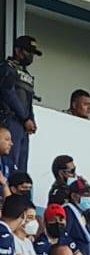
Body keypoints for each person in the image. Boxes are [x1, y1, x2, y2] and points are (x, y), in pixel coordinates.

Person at [0, 35, 40, 173]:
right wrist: (25, 118)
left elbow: (28, 101)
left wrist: (31, 119)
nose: (31, 57)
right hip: (9, 120)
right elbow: (7, 92)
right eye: (28, 52)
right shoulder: (7, 68)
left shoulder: (27, 75)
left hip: (23, 126)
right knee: (9, 162)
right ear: (18, 51)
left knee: (21, 169)